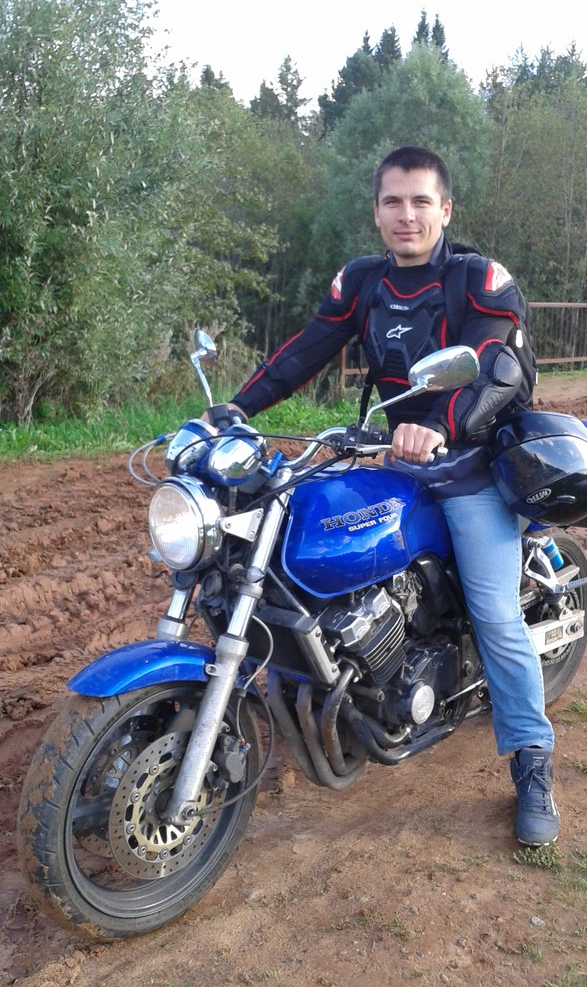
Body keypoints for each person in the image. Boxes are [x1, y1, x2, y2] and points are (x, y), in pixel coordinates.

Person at [217, 146, 559, 847]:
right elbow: (305, 350)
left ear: (445, 210)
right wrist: (234, 409)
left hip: (468, 464)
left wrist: (439, 428)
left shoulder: (478, 280)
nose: (408, 215)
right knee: (289, 544)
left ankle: (533, 761)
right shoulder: (363, 282)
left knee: (496, 615)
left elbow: (493, 367)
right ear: (376, 212)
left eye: (421, 201)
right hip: (390, 455)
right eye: (393, 202)